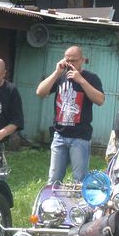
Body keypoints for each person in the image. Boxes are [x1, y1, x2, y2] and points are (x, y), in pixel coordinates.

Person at [36, 45, 104, 184]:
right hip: (59, 135)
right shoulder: (60, 76)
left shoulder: (91, 78)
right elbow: (40, 92)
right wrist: (56, 72)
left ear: (82, 60)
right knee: (54, 179)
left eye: (74, 61)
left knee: (79, 180)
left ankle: (77, 199)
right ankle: (53, 199)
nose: (70, 64)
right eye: (67, 60)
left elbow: (100, 100)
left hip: (80, 136)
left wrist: (81, 80)